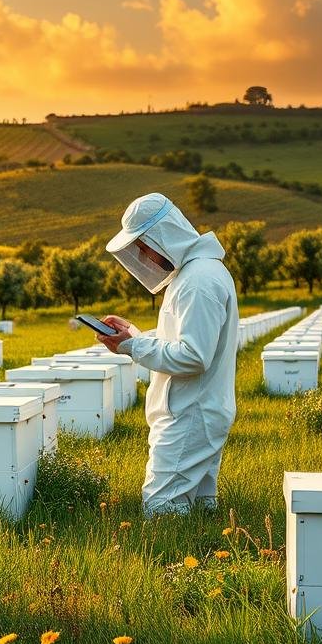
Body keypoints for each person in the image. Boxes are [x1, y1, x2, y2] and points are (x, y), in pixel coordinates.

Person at [96, 192, 238, 516]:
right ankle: (204, 558)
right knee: (200, 509)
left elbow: (193, 356)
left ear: (162, 235)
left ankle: (174, 566)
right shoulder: (196, 274)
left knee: (162, 509)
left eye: (144, 247)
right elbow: (182, 338)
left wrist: (132, 346)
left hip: (190, 413)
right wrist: (133, 336)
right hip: (197, 409)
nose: (144, 257)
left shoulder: (198, 281)